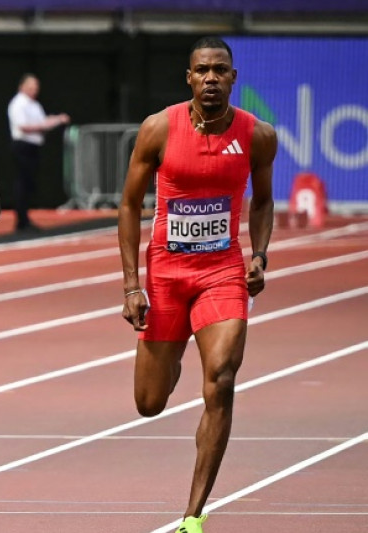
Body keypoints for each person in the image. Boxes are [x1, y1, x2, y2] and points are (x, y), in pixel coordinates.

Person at [118, 37, 276, 533]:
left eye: (220, 70)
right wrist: (131, 285)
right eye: (202, 70)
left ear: (233, 78)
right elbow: (129, 205)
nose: (211, 78)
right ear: (188, 77)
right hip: (167, 275)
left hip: (222, 273)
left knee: (222, 380)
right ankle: (175, 353)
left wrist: (259, 255)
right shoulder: (159, 128)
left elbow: (263, 201)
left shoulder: (258, 135)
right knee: (148, 404)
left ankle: (193, 514)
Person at [7, 73, 70, 232]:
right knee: (23, 181)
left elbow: (42, 123)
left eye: (36, 87)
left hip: (33, 145)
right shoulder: (18, 103)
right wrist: (47, 124)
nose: (34, 90)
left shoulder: (34, 105)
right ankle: (21, 220)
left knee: (29, 182)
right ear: (22, 86)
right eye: (31, 86)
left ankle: (25, 218)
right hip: (23, 145)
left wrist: (55, 120)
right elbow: (24, 126)